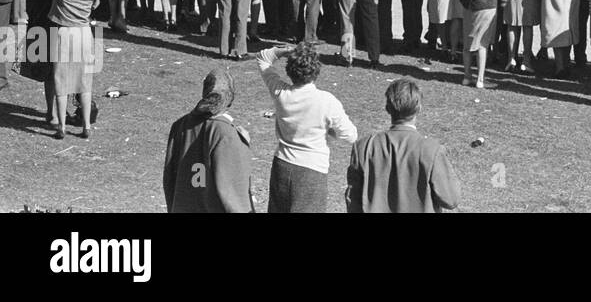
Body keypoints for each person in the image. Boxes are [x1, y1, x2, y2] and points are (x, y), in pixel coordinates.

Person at [258, 44, 358, 213]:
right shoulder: (326, 101)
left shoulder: (280, 92)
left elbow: (263, 57)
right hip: (312, 170)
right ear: (316, 70)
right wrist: (330, 131)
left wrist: (286, 51)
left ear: (290, 71)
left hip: (281, 164)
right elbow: (350, 135)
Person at [344, 78, 462, 213]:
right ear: (419, 108)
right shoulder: (431, 150)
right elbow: (451, 200)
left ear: (387, 108)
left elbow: (352, 200)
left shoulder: (364, 147)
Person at [163, 69, 254, 213]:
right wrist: (242, 146)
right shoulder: (225, 133)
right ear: (230, 98)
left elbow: (169, 179)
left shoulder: (179, 125)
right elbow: (233, 192)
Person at [33, 0, 99, 140]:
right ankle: (86, 126)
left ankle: (61, 126)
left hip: (64, 32)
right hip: (84, 33)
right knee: (85, 82)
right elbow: (96, 5)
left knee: (60, 80)